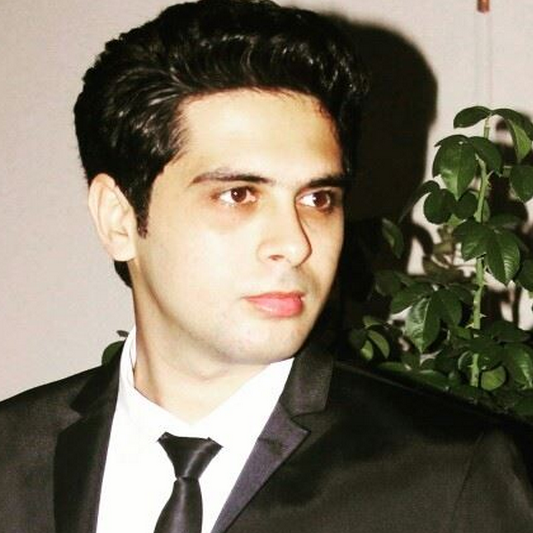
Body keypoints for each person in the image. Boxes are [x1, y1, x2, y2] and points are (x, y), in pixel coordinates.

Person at [1, 1, 532, 532]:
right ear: (118, 219)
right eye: (238, 194)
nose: (294, 243)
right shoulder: (12, 457)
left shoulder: (448, 477)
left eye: (318, 199)